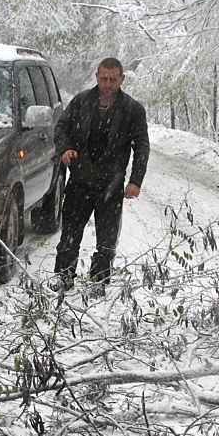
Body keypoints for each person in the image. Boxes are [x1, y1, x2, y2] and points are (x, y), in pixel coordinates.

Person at [52, 57, 149, 292]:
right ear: (96, 76)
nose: (107, 83)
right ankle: (64, 276)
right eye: (103, 78)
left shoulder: (132, 109)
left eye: (113, 79)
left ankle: (99, 280)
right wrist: (65, 148)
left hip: (111, 183)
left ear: (121, 79)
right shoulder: (81, 102)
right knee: (70, 233)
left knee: (107, 238)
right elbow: (61, 127)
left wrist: (135, 181)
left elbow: (142, 146)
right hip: (80, 180)